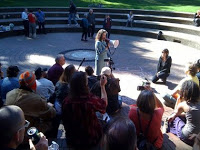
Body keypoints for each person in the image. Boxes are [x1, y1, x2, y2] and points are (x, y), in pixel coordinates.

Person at [62, 71, 108, 149]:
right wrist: (102, 86)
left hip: (73, 140)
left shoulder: (66, 102)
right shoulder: (90, 100)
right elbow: (103, 104)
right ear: (84, 85)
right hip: (90, 140)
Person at [167, 80, 200, 146]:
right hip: (198, 138)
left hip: (188, 137)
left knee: (174, 118)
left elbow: (175, 112)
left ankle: (167, 131)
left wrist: (178, 99)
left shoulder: (184, 104)